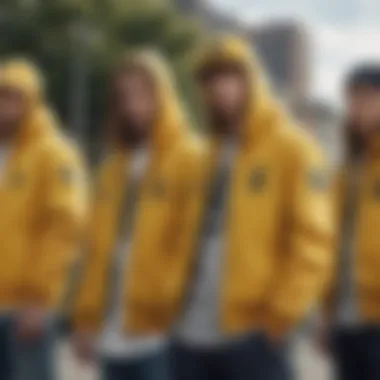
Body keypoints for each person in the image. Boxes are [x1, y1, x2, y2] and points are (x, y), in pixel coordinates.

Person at [123, 36, 333, 380]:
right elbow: (173, 235)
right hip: (188, 333)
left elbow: (313, 241)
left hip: (253, 335)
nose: (221, 89)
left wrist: (282, 315)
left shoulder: (292, 149)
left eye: (231, 77)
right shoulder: (204, 157)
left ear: (252, 81)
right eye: (212, 81)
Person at [72, 50, 198, 380]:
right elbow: (96, 251)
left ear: (164, 95)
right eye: (125, 95)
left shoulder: (191, 159)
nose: (133, 104)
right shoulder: (113, 167)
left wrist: (167, 305)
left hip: (163, 335)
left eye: (143, 92)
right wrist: (85, 320)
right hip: (113, 336)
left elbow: (191, 245)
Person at [0, 59, 88, 380]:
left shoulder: (54, 153)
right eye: (1, 96)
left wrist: (39, 299)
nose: (5, 106)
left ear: (32, 102)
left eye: (14, 97)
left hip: (26, 310)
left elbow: (65, 228)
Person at [318, 64, 380, 380]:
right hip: (345, 319)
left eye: (367, 97)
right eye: (352, 99)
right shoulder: (346, 173)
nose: (357, 107)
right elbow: (334, 246)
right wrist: (326, 316)